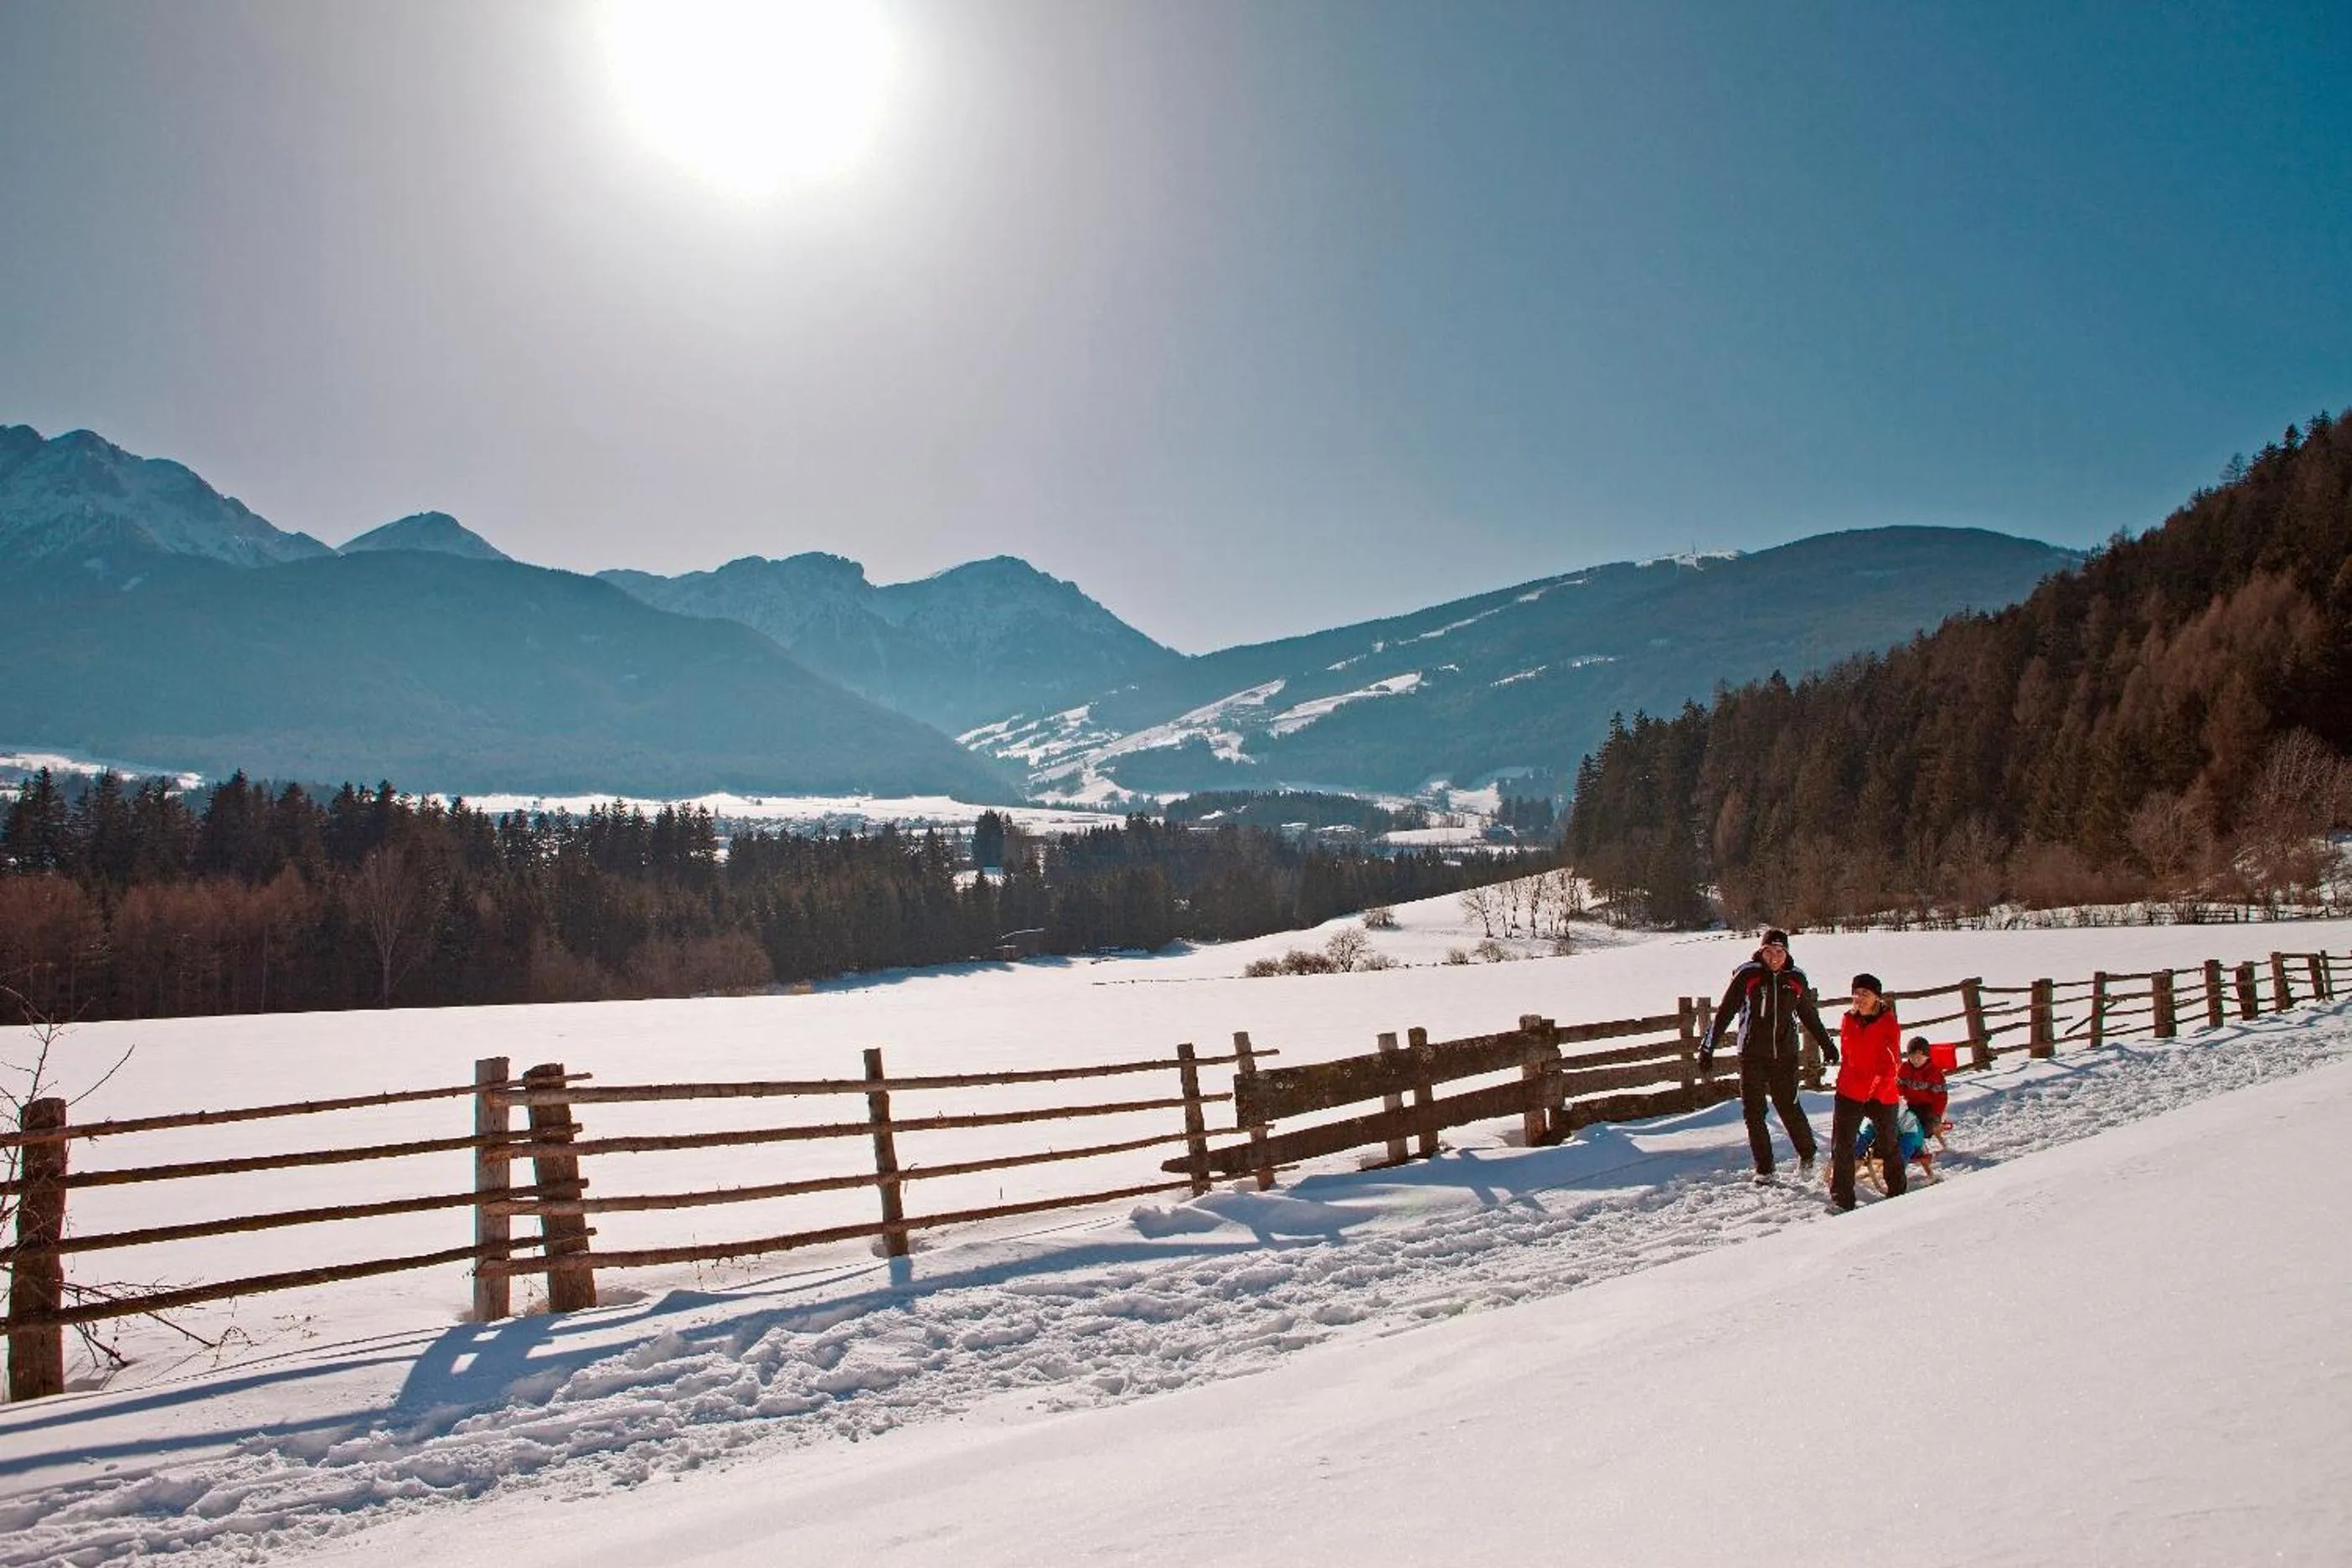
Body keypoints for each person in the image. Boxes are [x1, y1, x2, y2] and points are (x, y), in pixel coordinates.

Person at [1703, 928, 1835, 1184]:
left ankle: (1807, 1155)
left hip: (1785, 1055)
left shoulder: (1796, 979)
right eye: (1769, 951)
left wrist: (1827, 1044)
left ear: (1786, 953)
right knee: (1753, 1112)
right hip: (1752, 1054)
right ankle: (1764, 1169)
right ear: (1761, 951)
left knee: (1788, 1105)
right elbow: (1725, 1012)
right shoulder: (1748, 975)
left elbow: (1808, 1014)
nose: (1774, 957)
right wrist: (1708, 1048)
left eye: (1780, 952)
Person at [1829, 973, 1906, 1210]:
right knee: (1842, 1145)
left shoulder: (1888, 1022)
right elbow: (1848, 1056)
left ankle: (1897, 1192)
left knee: (1888, 1144)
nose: (1860, 998)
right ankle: (1842, 1200)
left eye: (1866, 994)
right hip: (1850, 1089)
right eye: (1857, 993)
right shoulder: (1848, 1020)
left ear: (1876, 998)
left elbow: (1891, 1062)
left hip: (1881, 1093)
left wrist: (1875, 1092)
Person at [1898, 1035, 1951, 1152]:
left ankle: (1918, 1148)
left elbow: (1940, 1097)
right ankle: (1905, 1145)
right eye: (1913, 1058)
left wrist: (1937, 1115)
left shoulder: (1934, 1072)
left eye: (1919, 1058)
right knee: (1902, 1123)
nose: (1916, 1061)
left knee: (1921, 1126)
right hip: (1910, 1105)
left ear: (1927, 1057)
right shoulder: (1904, 1069)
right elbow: (1898, 1087)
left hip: (1929, 1108)